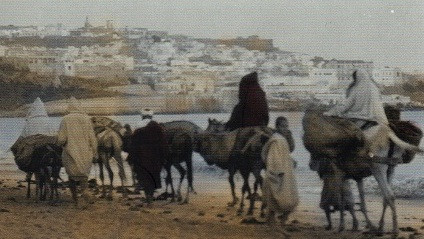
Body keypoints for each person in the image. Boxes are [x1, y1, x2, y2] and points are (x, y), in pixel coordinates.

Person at [324, 68, 389, 157]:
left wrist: (331, 112)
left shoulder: (357, 89)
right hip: (377, 120)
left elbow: (346, 105)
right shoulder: (374, 88)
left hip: (358, 118)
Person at [57, 97, 98, 208]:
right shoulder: (86, 119)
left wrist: (59, 143)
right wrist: (95, 153)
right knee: (84, 177)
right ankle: (85, 192)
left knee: (72, 178)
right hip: (85, 154)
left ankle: (76, 201)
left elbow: (61, 139)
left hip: (71, 153)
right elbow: (92, 139)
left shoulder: (65, 119)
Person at [261, 132, 299, 224]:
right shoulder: (276, 140)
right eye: (282, 126)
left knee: (288, 198)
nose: (285, 128)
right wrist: (277, 171)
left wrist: (290, 161)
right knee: (274, 198)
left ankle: (281, 221)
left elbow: (284, 155)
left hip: (282, 173)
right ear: (277, 127)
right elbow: (273, 157)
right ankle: (274, 220)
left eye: (286, 126)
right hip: (276, 173)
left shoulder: (282, 139)